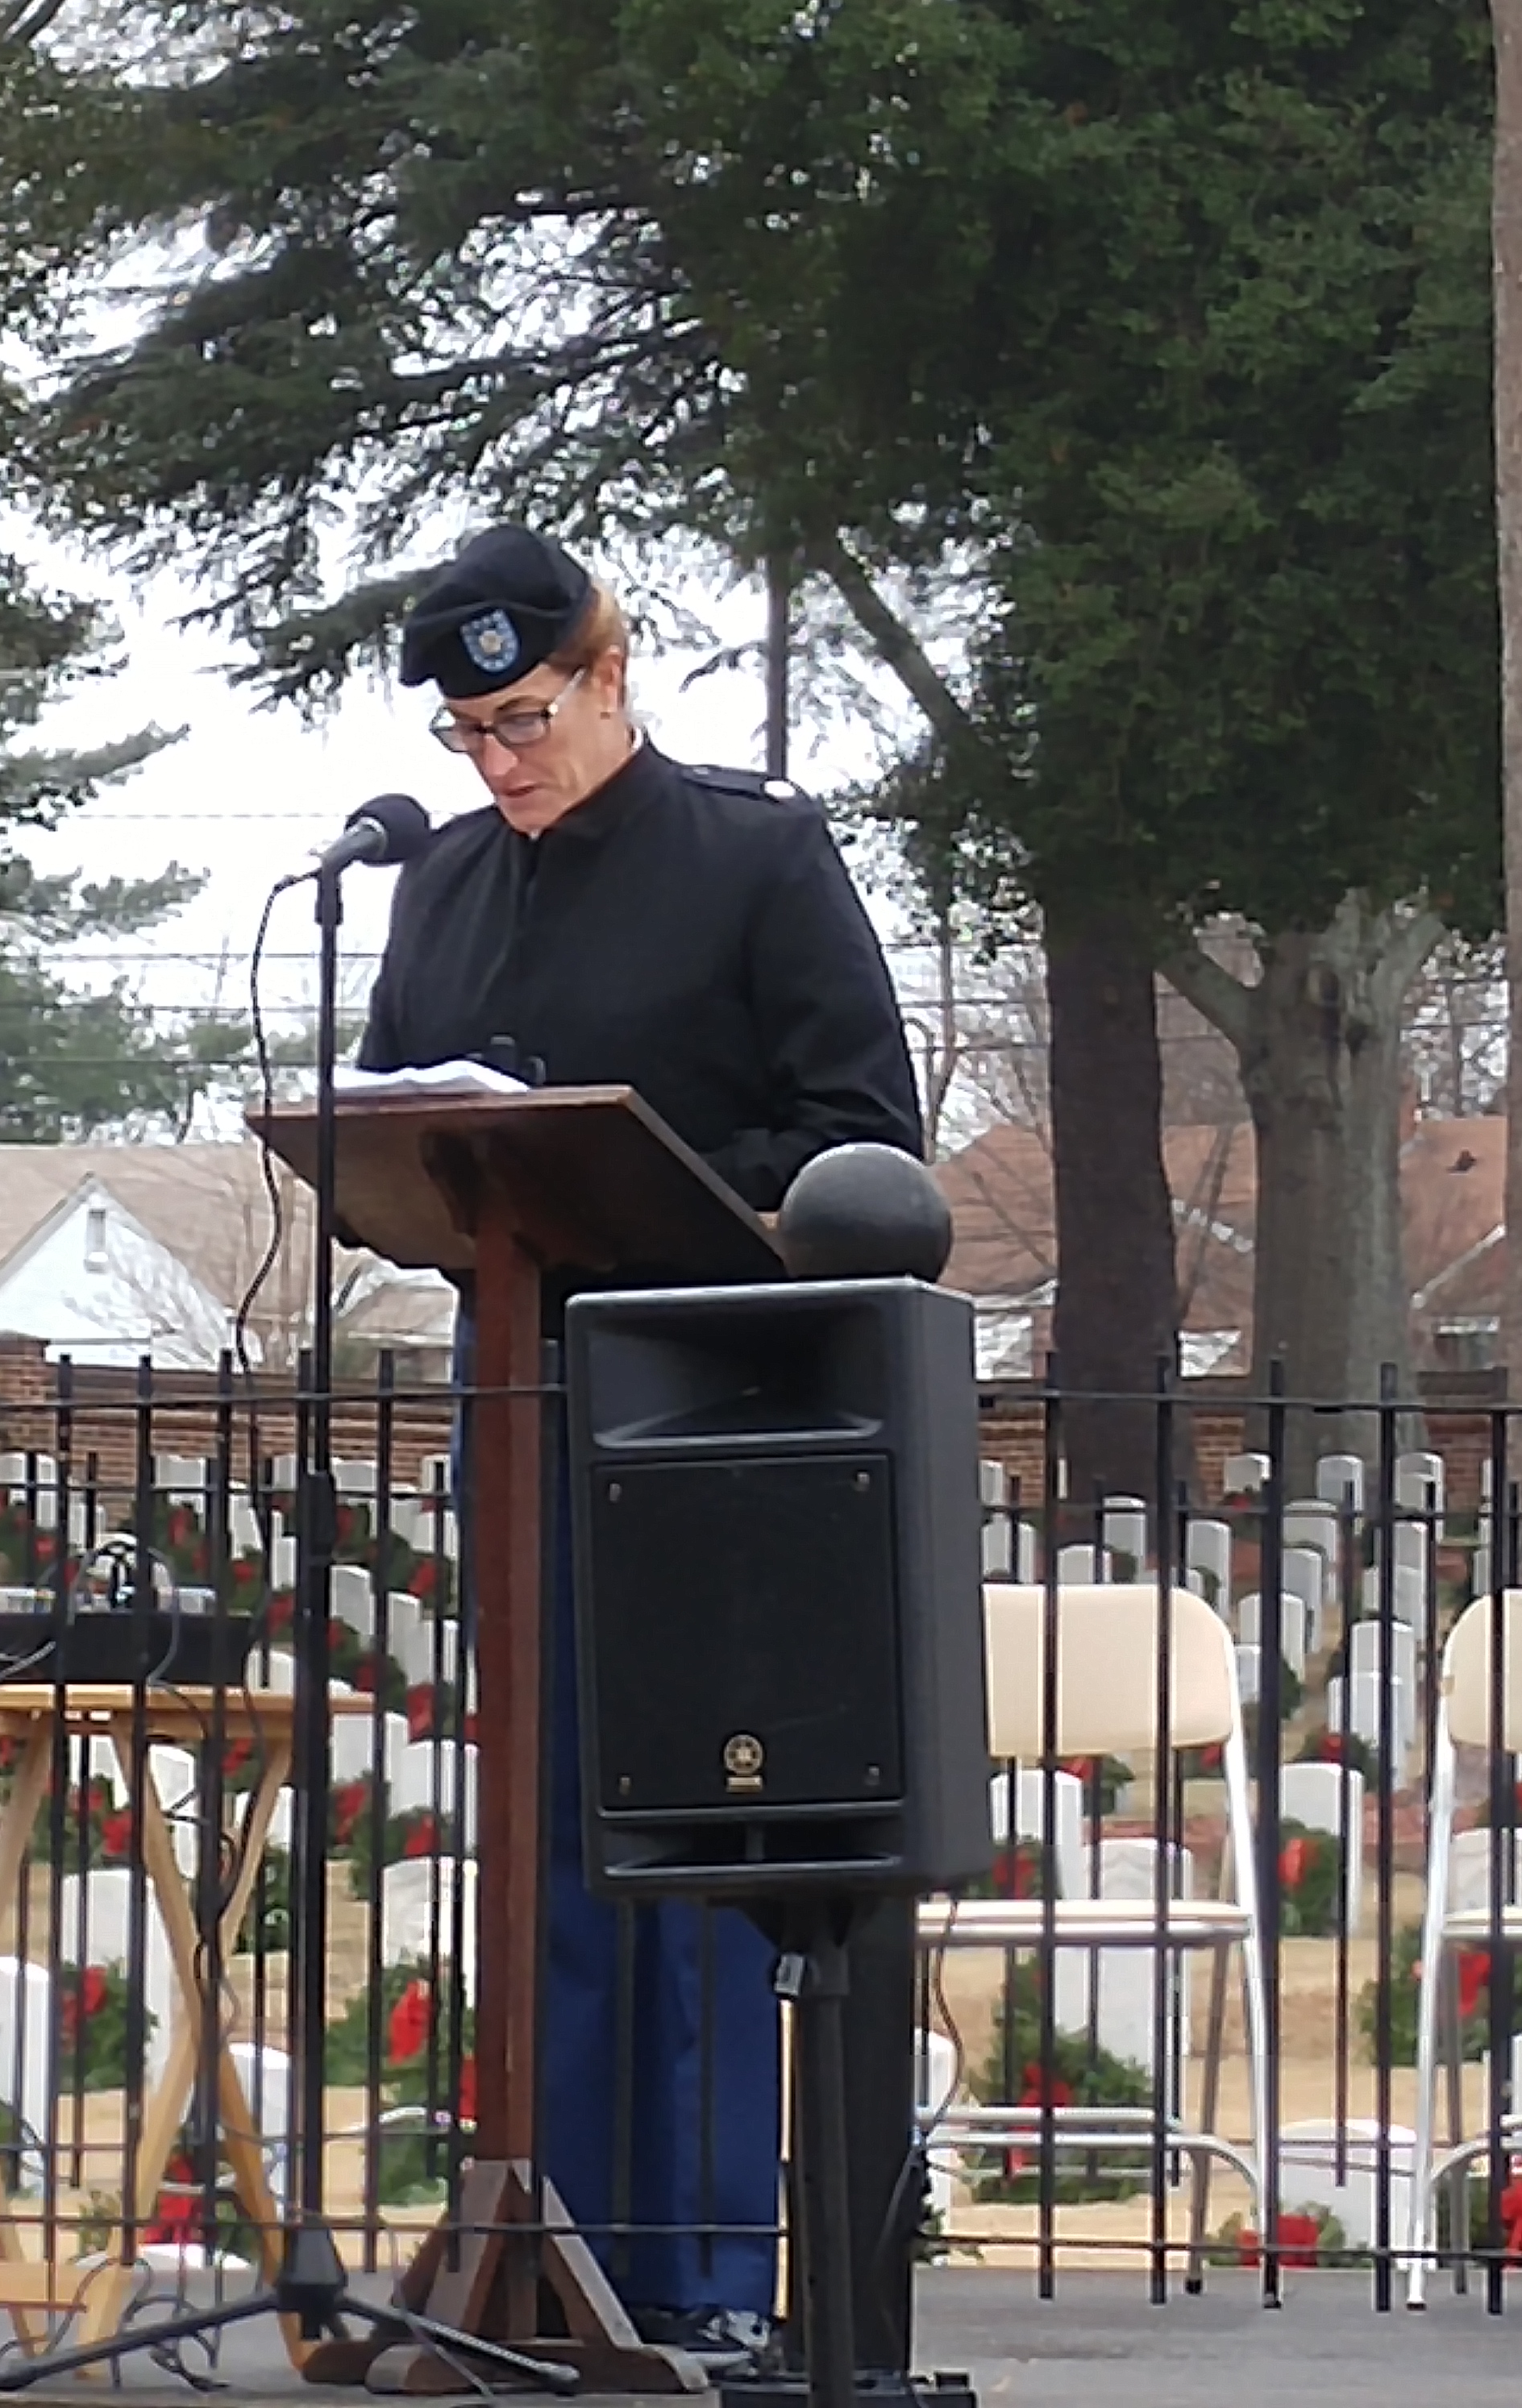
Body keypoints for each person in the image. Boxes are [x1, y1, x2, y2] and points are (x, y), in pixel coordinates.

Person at [364, 525, 931, 2369]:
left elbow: (861, 1134)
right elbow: (396, 1102)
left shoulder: (754, 854)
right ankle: (548, 2243)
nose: (497, 759)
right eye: (467, 730)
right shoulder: (442, 885)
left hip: (708, 1402)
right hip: (518, 1387)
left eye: (523, 716)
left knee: (686, 1830)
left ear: (612, 676)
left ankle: (686, 2264)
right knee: (540, 1841)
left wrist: (657, 1180)